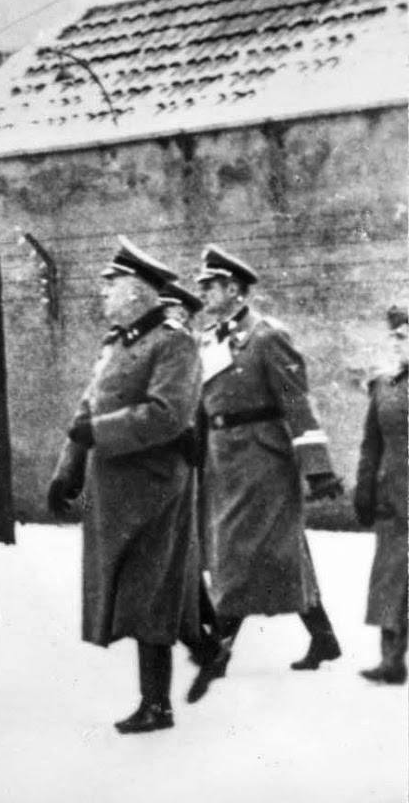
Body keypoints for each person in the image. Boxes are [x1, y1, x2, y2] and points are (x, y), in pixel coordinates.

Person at [47, 238, 208, 734]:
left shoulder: (173, 342)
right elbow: (87, 409)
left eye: (111, 286)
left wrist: (100, 433)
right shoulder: (118, 342)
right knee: (142, 592)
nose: (103, 295)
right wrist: (67, 471)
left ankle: (157, 705)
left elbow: (167, 415)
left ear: (139, 291)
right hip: (114, 489)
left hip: (156, 488)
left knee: (148, 595)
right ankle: (208, 646)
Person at [186, 245, 346, 703]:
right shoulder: (209, 339)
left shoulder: (267, 336)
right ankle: (323, 635)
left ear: (233, 289)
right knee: (279, 550)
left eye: (209, 285)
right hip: (222, 458)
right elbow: (203, 406)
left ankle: (218, 648)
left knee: (239, 549)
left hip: (263, 458)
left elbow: (297, 401)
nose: (202, 292)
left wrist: (318, 470)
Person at [355, 305, 407, 684]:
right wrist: (364, 489)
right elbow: (370, 446)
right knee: (390, 579)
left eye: (403, 336)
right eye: (395, 336)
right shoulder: (384, 387)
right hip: (393, 500)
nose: (396, 343)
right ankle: (391, 661)